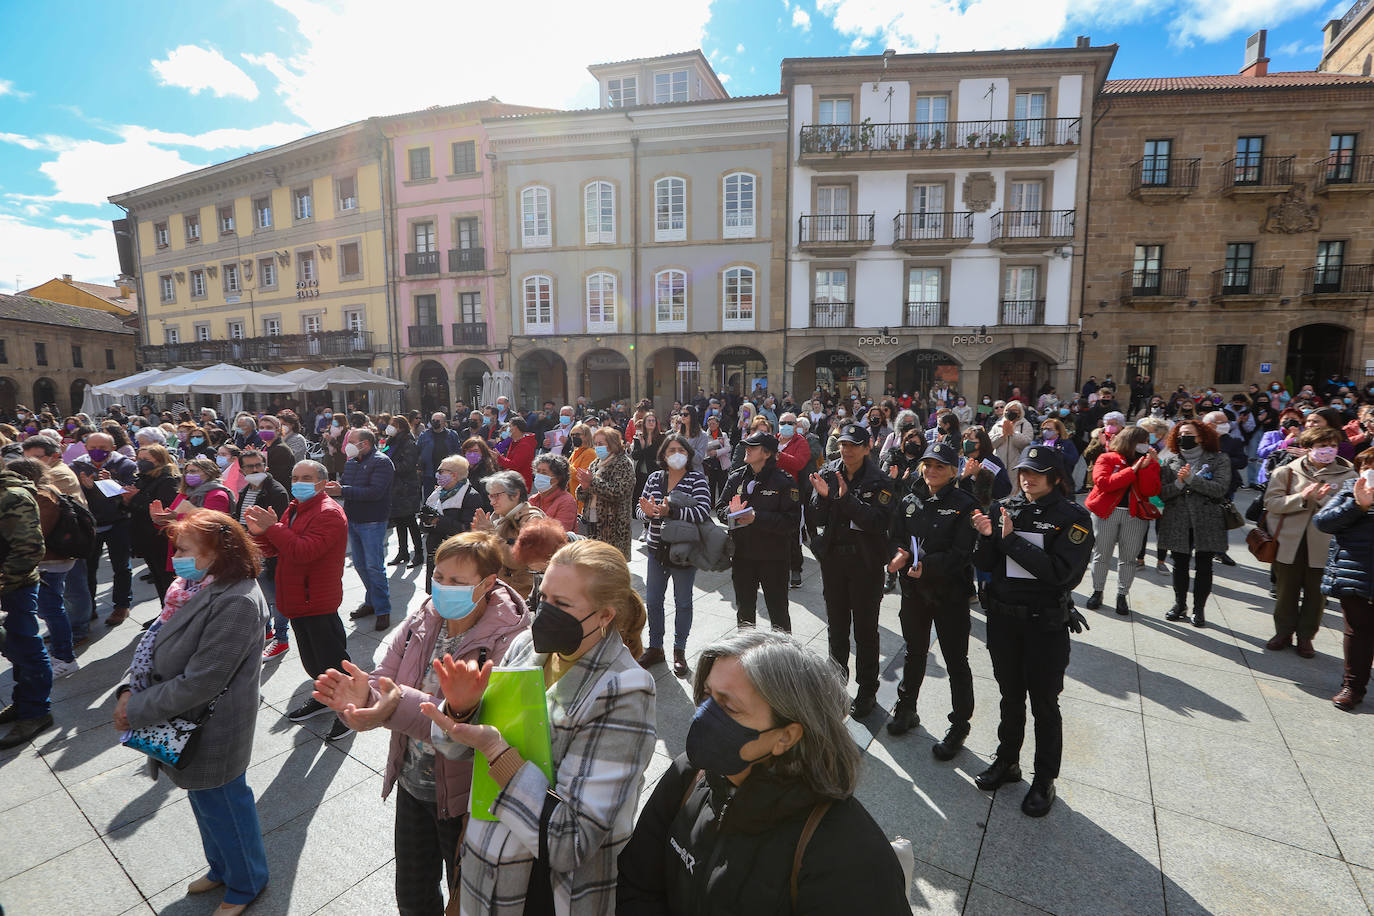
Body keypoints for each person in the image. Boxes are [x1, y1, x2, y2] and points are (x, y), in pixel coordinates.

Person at [420, 539, 655, 915]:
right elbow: (456, 749)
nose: (545, 613)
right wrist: (462, 711)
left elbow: (571, 841)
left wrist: (498, 754)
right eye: (543, 596)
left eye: (562, 605)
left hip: (547, 893)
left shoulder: (625, 690)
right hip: (487, 874)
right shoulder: (527, 646)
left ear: (605, 616)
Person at [311, 530, 531, 916]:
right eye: (439, 576)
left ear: (488, 584)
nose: (444, 588)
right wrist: (366, 699)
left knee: (467, 901)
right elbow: (386, 676)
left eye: (458, 582)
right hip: (413, 783)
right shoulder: (425, 614)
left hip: (467, 798)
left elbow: (473, 726)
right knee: (413, 895)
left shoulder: (511, 640)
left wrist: (393, 706)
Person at [616, 629, 909, 913]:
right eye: (707, 695)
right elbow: (638, 882)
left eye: (729, 708)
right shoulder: (691, 775)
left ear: (786, 737)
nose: (705, 715)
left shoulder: (850, 858)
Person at [113, 510, 270, 914]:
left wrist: (136, 708)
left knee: (225, 805)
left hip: (212, 723)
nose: (175, 558)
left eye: (183, 549)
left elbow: (202, 681)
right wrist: (130, 687)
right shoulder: (192, 586)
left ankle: (246, 881)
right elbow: (155, 639)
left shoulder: (236, 600)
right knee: (204, 801)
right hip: (187, 719)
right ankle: (221, 867)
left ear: (218, 552)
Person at [971, 446, 1093, 817]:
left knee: (1043, 703)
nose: (1028, 478)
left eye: (1037, 472)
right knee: (1010, 695)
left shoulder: (1073, 518)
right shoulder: (1004, 507)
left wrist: (1011, 542)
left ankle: (1044, 779)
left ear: (1056, 476)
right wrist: (987, 537)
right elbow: (985, 563)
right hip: (1004, 620)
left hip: (1045, 623)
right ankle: (1007, 761)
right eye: (1024, 471)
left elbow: (1062, 573)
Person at [244, 460, 352, 742]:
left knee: (333, 661)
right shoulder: (295, 507)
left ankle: (350, 711)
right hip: (297, 595)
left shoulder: (329, 513)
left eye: (306, 477)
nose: (298, 482)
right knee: (313, 660)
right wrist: (262, 533)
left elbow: (304, 551)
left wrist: (273, 529)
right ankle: (325, 698)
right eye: (295, 476)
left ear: (321, 482)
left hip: (316, 598)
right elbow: (281, 547)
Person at [885, 442, 978, 755]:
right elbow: (896, 536)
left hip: (949, 595)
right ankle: (906, 707)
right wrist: (898, 556)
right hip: (914, 593)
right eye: (928, 464)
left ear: (953, 471)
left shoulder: (964, 503)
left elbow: (963, 552)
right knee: (914, 652)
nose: (932, 471)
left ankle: (959, 725)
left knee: (956, 661)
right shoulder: (910, 500)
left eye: (940, 466)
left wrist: (927, 567)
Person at [807, 424, 895, 719]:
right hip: (834, 563)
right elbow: (816, 514)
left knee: (866, 631)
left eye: (854, 445)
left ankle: (867, 689)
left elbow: (877, 522)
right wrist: (822, 498)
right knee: (836, 627)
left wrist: (844, 499)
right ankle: (835, 683)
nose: (847, 450)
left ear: (867, 447)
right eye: (843, 444)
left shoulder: (880, 480)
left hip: (865, 565)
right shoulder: (831, 471)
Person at [1263, 426, 1354, 657]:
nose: (1328, 450)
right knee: (1286, 591)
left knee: (1316, 595)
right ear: (1309, 448)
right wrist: (1301, 498)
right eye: (1322, 446)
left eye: (1332, 445)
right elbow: (1272, 503)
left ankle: (1306, 637)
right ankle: (1283, 632)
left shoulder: (1348, 475)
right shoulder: (1286, 472)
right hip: (1288, 542)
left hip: (1324, 545)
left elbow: (1351, 511)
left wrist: (1325, 502)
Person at [637, 434, 712, 676]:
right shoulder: (655, 478)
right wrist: (647, 513)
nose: (676, 453)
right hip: (656, 549)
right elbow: (639, 509)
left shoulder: (696, 479)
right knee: (654, 600)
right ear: (663, 455)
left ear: (688, 454)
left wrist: (672, 511)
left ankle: (679, 650)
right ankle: (655, 647)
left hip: (684, 552)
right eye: (671, 450)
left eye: (680, 449)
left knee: (683, 602)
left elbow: (702, 512)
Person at [717, 430, 800, 633]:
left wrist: (757, 518)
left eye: (752, 447)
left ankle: (782, 661)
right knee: (744, 613)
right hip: (742, 555)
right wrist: (731, 512)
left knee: (778, 614)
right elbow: (719, 509)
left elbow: (792, 521)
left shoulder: (784, 481)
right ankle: (746, 658)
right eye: (746, 445)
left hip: (773, 557)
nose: (747, 449)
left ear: (767, 453)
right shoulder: (736, 477)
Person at [1315, 449, 1374, 709]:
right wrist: (1358, 505)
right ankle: (1352, 686)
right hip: (1355, 571)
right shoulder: (1351, 489)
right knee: (1357, 632)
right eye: (1367, 467)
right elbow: (1323, 522)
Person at [0, 458, 53, 748]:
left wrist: (3, 582)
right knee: (14, 650)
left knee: (26, 647)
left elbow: (29, 548)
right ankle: (23, 703)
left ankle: (36, 712)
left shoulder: (13, 496)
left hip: (15, 587)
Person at [1158, 420, 1230, 628]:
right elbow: (1162, 493)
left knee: (1204, 566)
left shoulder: (1218, 459)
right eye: (1180, 434)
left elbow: (1220, 488)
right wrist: (1179, 483)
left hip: (1207, 519)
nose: (1183, 438)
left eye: (1188, 433)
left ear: (1201, 436)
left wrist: (1191, 480)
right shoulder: (1170, 459)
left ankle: (1199, 609)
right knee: (1179, 564)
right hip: (1178, 519)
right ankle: (1180, 605)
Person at [1083, 426, 1161, 616]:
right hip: (1106, 513)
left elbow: (1151, 490)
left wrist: (1148, 466)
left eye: (1147, 442)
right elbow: (1104, 483)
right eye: (1142, 441)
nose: (1146, 445)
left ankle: (1122, 594)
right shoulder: (1107, 458)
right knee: (1102, 554)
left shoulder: (1149, 461)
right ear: (1130, 441)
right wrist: (1134, 469)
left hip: (1134, 515)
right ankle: (1097, 590)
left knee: (1128, 558)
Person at [330, 429, 396, 630]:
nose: (347, 444)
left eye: (351, 441)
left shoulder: (381, 461)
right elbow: (347, 486)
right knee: (360, 564)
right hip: (354, 518)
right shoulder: (351, 462)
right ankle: (372, 600)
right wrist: (338, 488)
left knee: (374, 566)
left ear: (365, 444)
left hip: (373, 520)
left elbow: (375, 492)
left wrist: (343, 490)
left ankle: (383, 609)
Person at [232, 450, 291, 660]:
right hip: (251, 553)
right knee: (261, 596)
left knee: (277, 598)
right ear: (242, 470)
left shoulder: (276, 491)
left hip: (270, 555)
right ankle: (267, 630)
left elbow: (279, 527)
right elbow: (239, 519)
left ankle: (282, 638)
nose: (256, 469)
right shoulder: (245, 490)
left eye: (259, 465)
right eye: (250, 466)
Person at [74, 431, 138, 627]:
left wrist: (111, 483)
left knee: (121, 566)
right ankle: (89, 606)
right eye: (92, 448)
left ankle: (122, 604)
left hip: (118, 521)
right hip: (90, 524)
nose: (97, 452)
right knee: (88, 567)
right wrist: (86, 488)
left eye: (102, 448)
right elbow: (71, 494)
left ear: (112, 448)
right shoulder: (76, 466)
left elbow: (129, 494)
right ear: (86, 447)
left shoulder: (125, 465)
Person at [474, 470, 546, 599]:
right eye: (490, 496)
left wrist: (491, 534)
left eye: (497, 496)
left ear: (516, 494)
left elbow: (518, 560)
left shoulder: (532, 520)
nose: (492, 502)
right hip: (498, 590)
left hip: (519, 595)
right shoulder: (497, 517)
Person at [420, 454, 486, 593]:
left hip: (457, 556)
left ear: (454, 475)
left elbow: (467, 530)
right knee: (434, 592)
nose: (438, 474)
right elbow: (425, 526)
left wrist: (439, 520)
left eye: (441, 471)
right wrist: (426, 521)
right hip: (435, 552)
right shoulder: (438, 492)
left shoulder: (471, 496)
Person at [126, 443, 182, 603]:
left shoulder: (167, 480)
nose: (141, 462)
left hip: (159, 537)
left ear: (158, 460)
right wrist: (127, 499)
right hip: (145, 535)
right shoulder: (144, 477)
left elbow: (163, 508)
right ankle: (164, 610)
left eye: (146, 459)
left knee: (167, 578)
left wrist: (135, 498)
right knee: (157, 576)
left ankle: (172, 611)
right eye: (139, 458)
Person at [575, 426, 635, 559]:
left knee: (611, 565)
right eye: (595, 444)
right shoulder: (595, 463)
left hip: (614, 525)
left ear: (612, 444)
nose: (597, 447)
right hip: (592, 520)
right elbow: (582, 495)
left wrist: (593, 482)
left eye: (601, 444)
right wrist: (584, 487)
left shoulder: (623, 463)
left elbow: (619, 492)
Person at [384, 416, 424, 570]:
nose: (390, 427)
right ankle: (403, 552)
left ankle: (419, 553)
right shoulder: (390, 442)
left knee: (410, 521)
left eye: (393, 425)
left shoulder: (408, 442)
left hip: (406, 488)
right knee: (399, 521)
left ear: (401, 427)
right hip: (394, 488)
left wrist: (389, 466)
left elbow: (408, 465)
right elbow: (384, 454)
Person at [418, 412, 463, 499]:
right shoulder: (424, 435)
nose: (435, 422)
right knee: (430, 498)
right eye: (433, 420)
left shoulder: (452, 435)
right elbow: (418, 451)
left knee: (448, 497)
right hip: (429, 472)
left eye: (437, 420)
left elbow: (457, 452)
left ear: (443, 422)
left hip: (448, 473)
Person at [529, 453, 578, 533]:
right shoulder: (533, 500)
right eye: (538, 472)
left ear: (557, 478)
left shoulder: (567, 502)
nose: (539, 476)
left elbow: (558, 535)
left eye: (544, 473)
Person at [631, 412, 666, 505]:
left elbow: (656, 455)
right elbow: (635, 456)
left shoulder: (662, 437)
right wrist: (642, 446)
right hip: (642, 472)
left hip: (656, 470)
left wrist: (647, 446)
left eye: (653, 420)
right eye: (648, 420)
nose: (651, 422)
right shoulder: (639, 438)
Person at [255, 415, 294, 488]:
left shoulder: (281, 449)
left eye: (269, 427)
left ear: (278, 430)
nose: (264, 430)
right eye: (261, 428)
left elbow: (276, 475)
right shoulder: (264, 446)